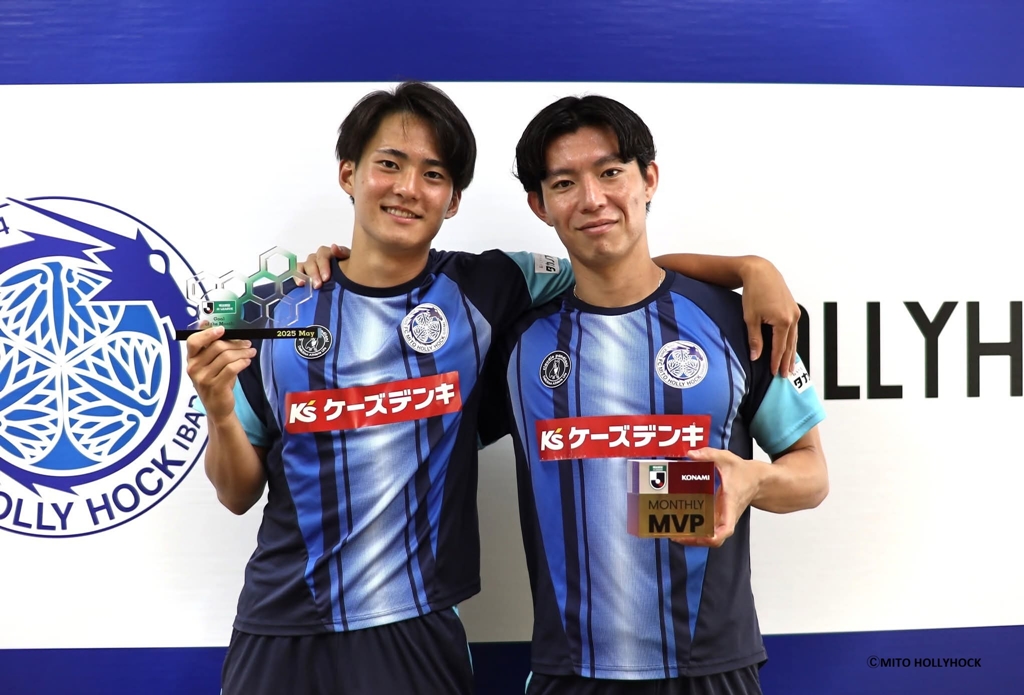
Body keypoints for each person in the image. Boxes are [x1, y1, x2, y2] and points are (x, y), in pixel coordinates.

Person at [187, 80, 803, 695]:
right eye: (389, 165)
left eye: (433, 174)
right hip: (280, 626)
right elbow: (237, 494)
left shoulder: (489, 290)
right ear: (349, 173)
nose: (408, 188)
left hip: (419, 633)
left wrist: (750, 269)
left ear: (453, 199)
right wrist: (218, 411)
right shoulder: (279, 312)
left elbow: (619, 269)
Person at [478, 95, 829, 695]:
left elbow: (812, 474)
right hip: (570, 673)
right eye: (564, 183)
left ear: (649, 180)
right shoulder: (516, 341)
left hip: (709, 669)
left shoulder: (736, 322)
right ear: (540, 205)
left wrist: (753, 480)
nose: (592, 199)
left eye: (611, 172)